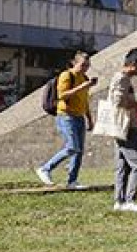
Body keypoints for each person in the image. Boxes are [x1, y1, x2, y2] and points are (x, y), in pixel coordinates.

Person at [97, 48, 137, 212]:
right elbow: (118, 102)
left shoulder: (122, 78)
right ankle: (130, 200)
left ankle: (119, 200)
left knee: (122, 165)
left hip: (120, 127)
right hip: (126, 126)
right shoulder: (122, 79)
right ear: (134, 64)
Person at [38, 51, 96, 190]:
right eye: (82, 65)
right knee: (72, 147)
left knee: (79, 150)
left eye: (88, 65)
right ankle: (46, 168)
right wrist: (82, 86)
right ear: (74, 63)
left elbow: (85, 100)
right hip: (66, 115)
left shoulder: (84, 77)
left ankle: (72, 180)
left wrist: (89, 118)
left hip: (79, 116)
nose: (85, 68)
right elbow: (62, 95)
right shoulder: (66, 75)